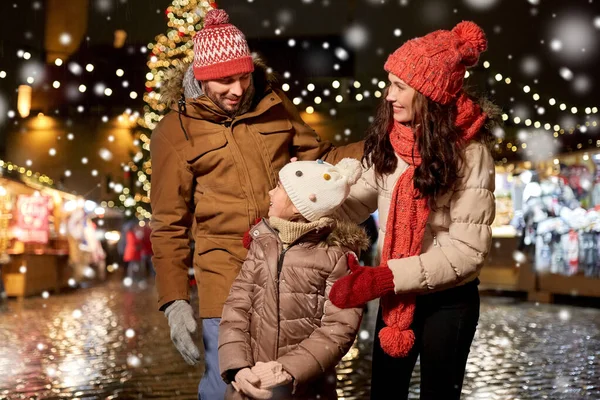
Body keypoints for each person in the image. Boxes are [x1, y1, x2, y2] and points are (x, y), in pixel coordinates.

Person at [149, 8, 364, 400]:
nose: (236, 89)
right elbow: (168, 224)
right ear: (201, 77)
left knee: (289, 384)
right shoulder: (174, 132)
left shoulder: (274, 106)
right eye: (224, 80)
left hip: (288, 268)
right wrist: (174, 300)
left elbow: (320, 160)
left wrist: (379, 145)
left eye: (243, 76)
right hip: (224, 277)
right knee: (225, 385)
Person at [328, 21, 499, 399]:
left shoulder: (471, 154)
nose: (389, 96)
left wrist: (385, 278)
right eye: (389, 84)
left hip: (448, 301)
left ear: (428, 93)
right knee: (385, 393)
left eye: (399, 87)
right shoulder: (393, 142)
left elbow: (467, 252)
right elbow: (357, 202)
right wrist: (293, 219)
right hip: (397, 297)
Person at [218, 158, 367, 400]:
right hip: (250, 383)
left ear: (299, 205)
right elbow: (236, 309)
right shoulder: (262, 244)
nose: (270, 192)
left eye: (278, 187)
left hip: (304, 389)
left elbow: (339, 328)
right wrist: (237, 367)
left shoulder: (337, 257)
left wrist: (287, 369)